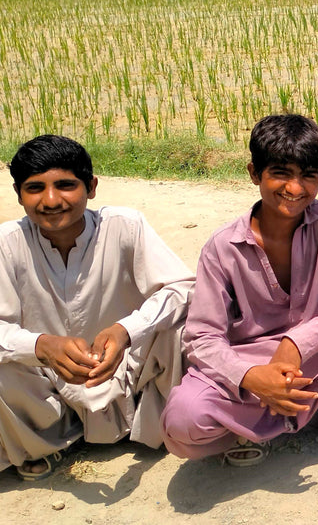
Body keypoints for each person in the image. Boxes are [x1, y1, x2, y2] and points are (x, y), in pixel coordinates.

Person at [160, 114, 318, 466]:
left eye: (308, 175)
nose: (295, 189)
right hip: (252, 364)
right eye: (281, 173)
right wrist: (250, 377)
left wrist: (296, 344)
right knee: (183, 419)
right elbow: (202, 337)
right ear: (253, 173)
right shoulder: (222, 248)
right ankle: (257, 422)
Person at [0, 134, 193, 481]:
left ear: (91, 187)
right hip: (47, 383)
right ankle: (43, 442)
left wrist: (126, 330)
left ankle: (166, 423)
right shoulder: (6, 244)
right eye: (34, 188)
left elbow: (182, 288)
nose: (51, 200)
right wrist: (41, 346)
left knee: (180, 323)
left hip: (128, 372)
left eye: (65, 185)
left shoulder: (124, 226)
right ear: (18, 195)